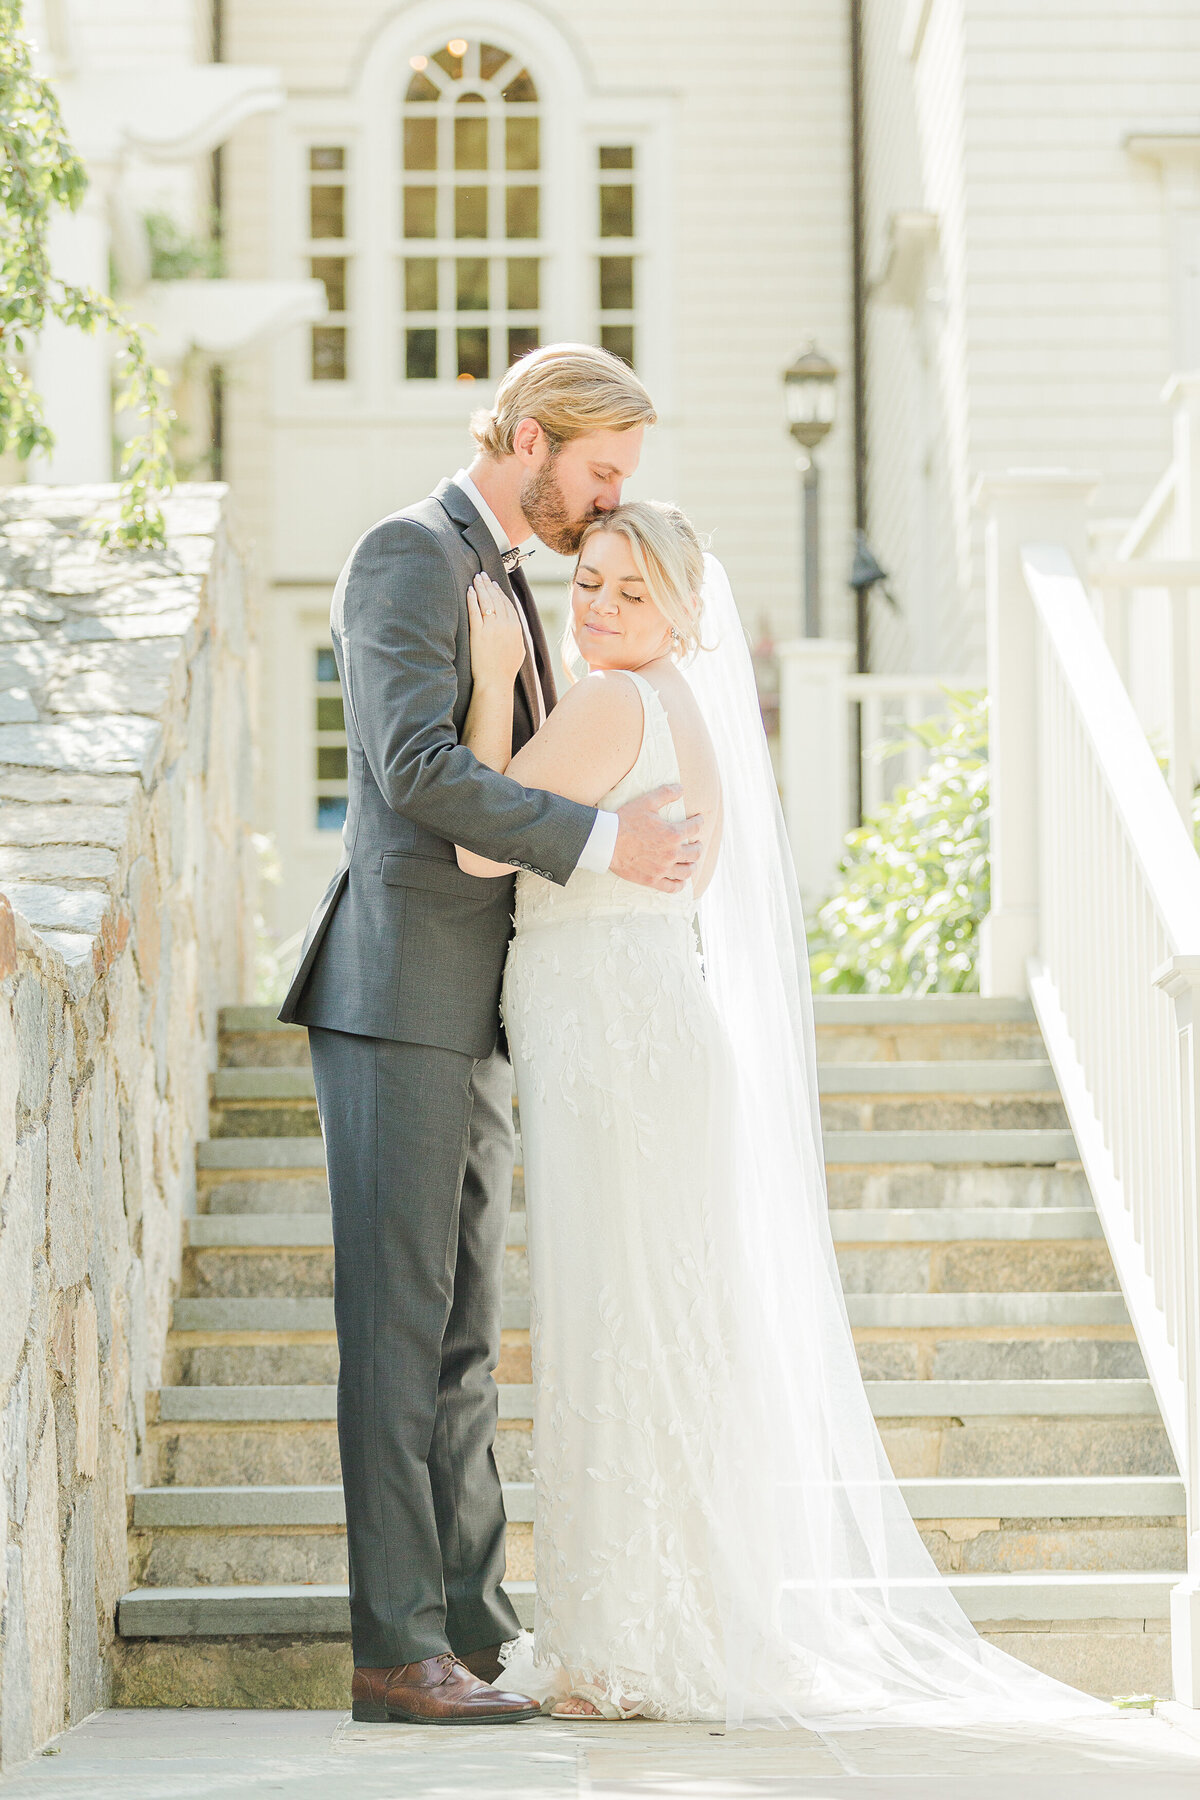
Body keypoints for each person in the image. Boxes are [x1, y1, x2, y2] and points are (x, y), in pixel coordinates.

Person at [455, 500, 1111, 1729]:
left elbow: (482, 850)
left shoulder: (610, 703)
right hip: (645, 1027)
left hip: (612, 1042)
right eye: (587, 582)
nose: (598, 607)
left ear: (684, 610)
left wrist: (495, 683)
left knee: (618, 1325)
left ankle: (617, 1647)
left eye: (630, 593)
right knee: (654, 1325)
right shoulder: (692, 709)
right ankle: (661, 1627)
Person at [278, 346, 703, 1726]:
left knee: (464, 1340)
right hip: (397, 998)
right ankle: (396, 1651)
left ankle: (472, 1627)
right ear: (528, 437)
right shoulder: (407, 553)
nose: (612, 497)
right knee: (402, 1334)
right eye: (602, 470)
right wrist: (599, 839)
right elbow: (412, 770)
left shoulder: (514, 583)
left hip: (485, 1012)